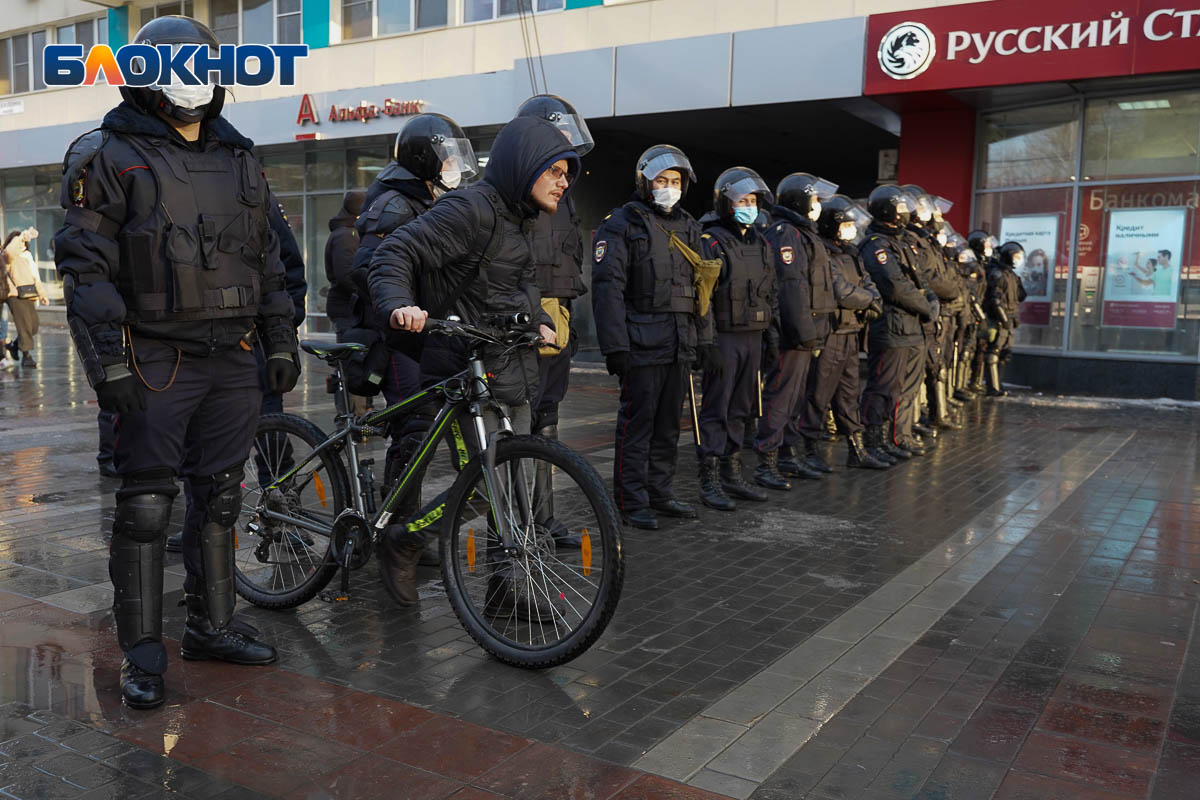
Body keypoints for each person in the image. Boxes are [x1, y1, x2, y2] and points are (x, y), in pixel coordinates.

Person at [53, 15, 300, 710]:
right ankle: (142, 654)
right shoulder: (106, 154)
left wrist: (279, 340)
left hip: (233, 357)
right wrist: (108, 366)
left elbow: (268, 257)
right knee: (146, 505)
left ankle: (211, 626)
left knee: (221, 496)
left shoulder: (240, 156)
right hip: (154, 356)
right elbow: (86, 270)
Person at [368, 115, 570, 608]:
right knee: (482, 489)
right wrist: (399, 304)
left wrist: (533, 322)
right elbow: (395, 252)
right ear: (526, 166)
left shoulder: (520, 218)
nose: (564, 182)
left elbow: (512, 287)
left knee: (511, 490)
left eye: (568, 173)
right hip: (463, 371)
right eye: (556, 171)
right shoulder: (471, 209)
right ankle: (406, 539)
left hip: (508, 369)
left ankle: (505, 589)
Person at [352, 112, 479, 588]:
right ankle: (394, 530)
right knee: (414, 430)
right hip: (400, 339)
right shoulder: (395, 205)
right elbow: (367, 270)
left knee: (422, 431)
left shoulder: (430, 197)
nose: (453, 165)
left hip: (430, 335)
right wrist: (404, 304)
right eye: (446, 156)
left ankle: (405, 529)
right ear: (425, 158)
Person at [591, 144, 712, 531]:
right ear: (644, 181)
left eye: (676, 182)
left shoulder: (691, 226)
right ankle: (631, 500)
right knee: (637, 425)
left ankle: (661, 492)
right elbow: (608, 287)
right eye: (662, 180)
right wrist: (616, 346)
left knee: (668, 426)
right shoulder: (622, 224)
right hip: (640, 345)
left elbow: (702, 289)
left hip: (679, 344)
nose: (670, 188)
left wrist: (704, 340)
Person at [517, 95, 594, 547]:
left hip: (557, 320)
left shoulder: (562, 196)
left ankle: (543, 517)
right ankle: (521, 524)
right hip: (523, 325)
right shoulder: (517, 192)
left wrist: (569, 322)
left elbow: (569, 267)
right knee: (520, 425)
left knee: (548, 419)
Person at [695, 167, 775, 511]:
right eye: (742, 200)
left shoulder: (760, 242)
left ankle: (732, 471)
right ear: (726, 203)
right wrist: (707, 342)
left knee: (742, 408)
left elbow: (770, 294)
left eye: (753, 200)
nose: (749, 206)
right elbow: (705, 298)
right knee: (717, 408)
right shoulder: (711, 240)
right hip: (725, 339)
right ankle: (709, 477)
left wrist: (772, 337)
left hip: (753, 337)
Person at [755, 172, 838, 483]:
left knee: (794, 399)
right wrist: (805, 334)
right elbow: (792, 288)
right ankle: (767, 461)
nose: (817, 206)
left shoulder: (804, 232)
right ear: (801, 200)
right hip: (794, 335)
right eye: (814, 199)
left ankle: (788, 455)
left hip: (807, 333)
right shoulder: (786, 233)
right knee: (780, 398)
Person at [801, 196, 889, 469]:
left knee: (849, 394)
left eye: (852, 224)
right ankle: (809, 449)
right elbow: (840, 292)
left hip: (851, 331)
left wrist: (871, 298)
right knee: (818, 394)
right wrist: (870, 300)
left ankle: (857, 448)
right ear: (831, 225)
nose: (850, 229)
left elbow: (868, 283)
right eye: (846, 224)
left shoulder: (851, 253)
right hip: (830, 333)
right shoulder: (823, 253)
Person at [860, 186, 937, 459]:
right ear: (887, 211)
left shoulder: (904, 241)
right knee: (883, 387)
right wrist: (927, 307)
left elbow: (920, 280)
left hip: (912, 327)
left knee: (906, 389)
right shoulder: (876, 246)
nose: (905, 214)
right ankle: (873, 439)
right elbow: (895, 286)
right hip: (892, 328)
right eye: (900, 208)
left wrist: (930, 302)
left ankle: (897, 437)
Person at [983, 241, 1027, 396]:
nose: (1018, 259)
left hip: (1010, 317)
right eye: (1015, 256)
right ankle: (993, 387)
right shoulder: (997, 273)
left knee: (1004, 353)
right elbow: (995, 299)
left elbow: (1021, 296)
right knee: (993, 351)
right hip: (999, 319)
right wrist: (1002, 318)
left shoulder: (1011, 275)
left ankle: (998, 385)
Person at [3, 228, 50, 368]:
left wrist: (43, 294)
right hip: (16, 295)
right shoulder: (9, 256)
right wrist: (22, 236)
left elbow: (36, 276)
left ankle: (14, 345)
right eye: (19, 241)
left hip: (29, 294)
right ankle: (27, 357)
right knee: (24, 327)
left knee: (33, 326)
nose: (22, 243)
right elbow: (10, 251)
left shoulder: (27, 255)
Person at [324, 190, 366, 337]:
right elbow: (346, 274)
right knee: (351, 355)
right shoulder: (347, 235)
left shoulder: (348, 233)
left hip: (348, 307)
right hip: (347, 308)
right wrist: (367, 295)